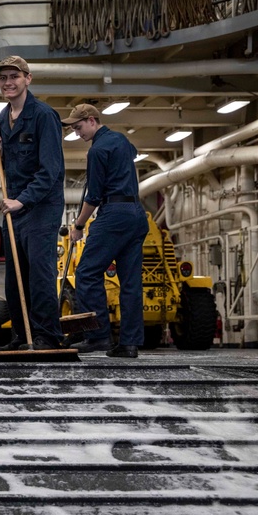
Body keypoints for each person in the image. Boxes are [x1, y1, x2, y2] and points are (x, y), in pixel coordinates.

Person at [0, 56, 65, 350]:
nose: (8, 82)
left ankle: (48, 336)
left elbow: (50, 170)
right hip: (15, 206)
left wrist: (22, 200)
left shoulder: (44, 115)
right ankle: (23, 336)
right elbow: (15, 165)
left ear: (28, 79)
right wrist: (1, 151)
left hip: (41, 206)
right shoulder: (3, 117)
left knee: (40, 273)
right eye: (3, 78)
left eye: (14, 77)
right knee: (14, 275)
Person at [62, 104, 150, 358]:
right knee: (131, 282)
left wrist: (78, 225)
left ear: (92, 120)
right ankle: (129, 343)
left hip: (114, 215)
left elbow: (94, 196)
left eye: (78, 128)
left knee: (87, 272)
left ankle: (98, 336)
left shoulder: (98, 150)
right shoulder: (120, 140)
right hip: (136, 214)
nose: (77, 133)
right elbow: (131, 154)